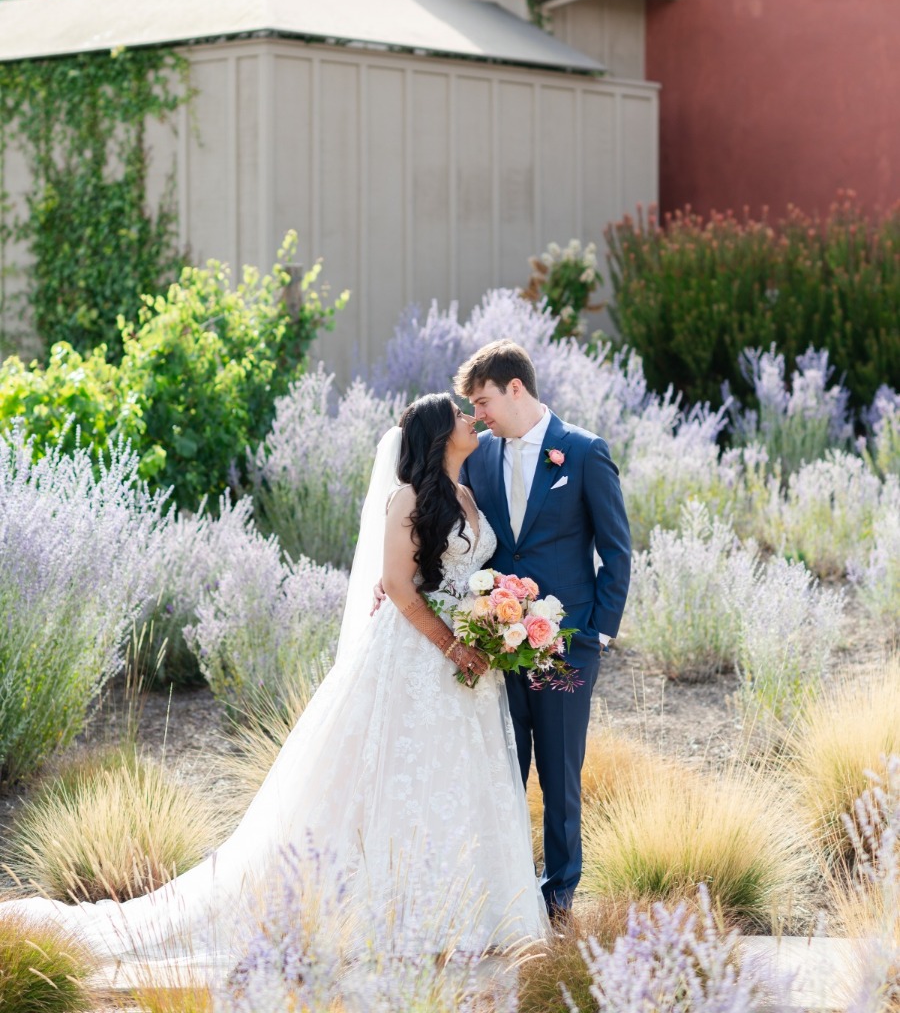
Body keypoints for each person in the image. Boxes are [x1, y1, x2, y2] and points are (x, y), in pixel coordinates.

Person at [1, 394, 548, 974]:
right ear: (439, 435)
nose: (472, 419)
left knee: (457, 776)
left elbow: (464, 575)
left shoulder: (464, 494)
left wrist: (495, 615)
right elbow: (398, 584)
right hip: (418, 657)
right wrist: (453, 644)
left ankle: (471, 913)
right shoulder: (408, 499)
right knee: (401, 776)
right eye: (462, 415)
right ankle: (404, 916)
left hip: (466, 668)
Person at [454, 339, 631, 926]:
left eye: (483, 402)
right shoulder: (479, 459)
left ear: (515, 388)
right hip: (497, 648)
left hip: (567, 648)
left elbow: (616, 550)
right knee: (503, 771)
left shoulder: (582, 453)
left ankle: (558, 898)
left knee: (559, 775)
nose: (478, 417)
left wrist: (597, 634)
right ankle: (504, 891)